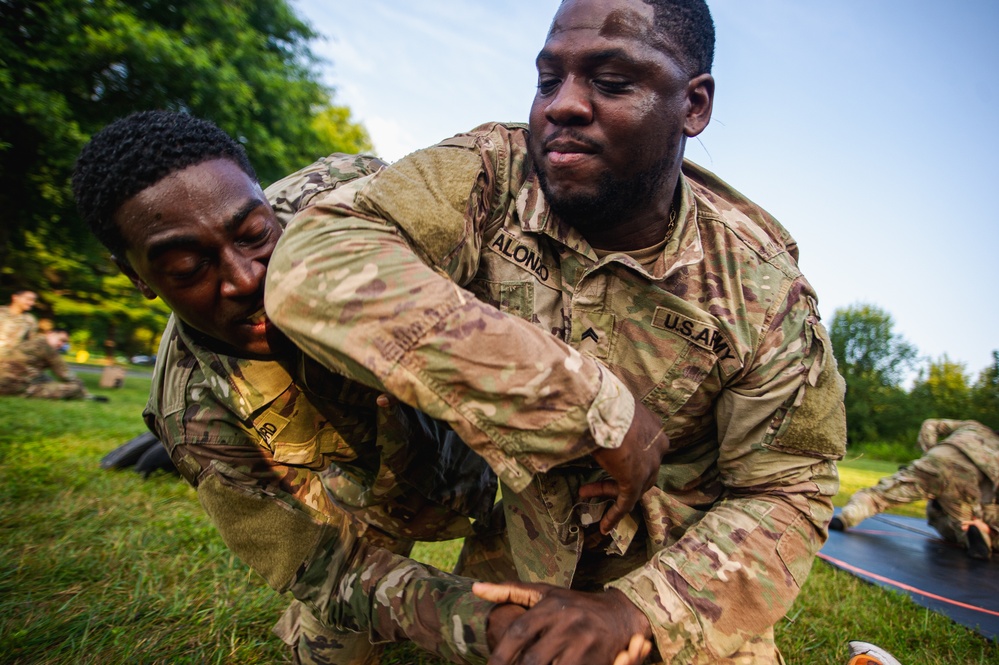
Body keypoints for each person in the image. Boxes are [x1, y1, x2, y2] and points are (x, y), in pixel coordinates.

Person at [265, 0, 848, 662]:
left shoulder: (759, 288)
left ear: (693, 105)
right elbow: (316, 258)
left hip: (673, 558)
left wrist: (637, 611)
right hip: (513, 526)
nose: (562, 105)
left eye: (611, 81)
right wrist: (590, 404)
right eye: (548, 79)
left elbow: (786, 489)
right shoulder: (486, 173)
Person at [72, 110, 660, 665]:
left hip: (507, 461)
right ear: (140, 279)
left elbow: (511, 252)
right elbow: (323, 569)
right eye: (187, 270)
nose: (245, 278)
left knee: (572, 624)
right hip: (373, 512)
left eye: (254, 234)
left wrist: (588, 403)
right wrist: (474, 618)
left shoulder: (348, 197)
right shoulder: (193, 412)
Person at [831, 419, 999, 560]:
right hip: (967, 482)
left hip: (935, 461)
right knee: (963, 525)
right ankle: (977, 534)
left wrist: (928, 453)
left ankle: (846, 517)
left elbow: (930, 425)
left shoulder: (972, 426)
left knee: (879, 496)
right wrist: (989, 524)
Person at [0, 329, 101, 400]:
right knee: (74, 387)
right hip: (14, 387)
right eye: (61, 340)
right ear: (50, 333)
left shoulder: (30, 342)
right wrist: (84, 392)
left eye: (64, 343)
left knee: (46, 379)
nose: (61, 344)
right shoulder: (48, 349)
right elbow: (66, 375)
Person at [0, 289, 39, 357]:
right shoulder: (1, 312)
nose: (31, 303)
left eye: (33, 300)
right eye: (29, 299)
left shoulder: (30, 320)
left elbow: (31, 343)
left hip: (10, 361)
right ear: (15, 297)